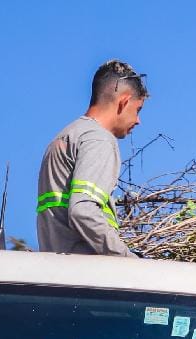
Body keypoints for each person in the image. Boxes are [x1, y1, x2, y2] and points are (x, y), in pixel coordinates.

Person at [36, 60, 148, 256]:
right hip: (87, 272)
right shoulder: (99, 139)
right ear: (124, 101)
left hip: (56, 272)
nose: (138, 120)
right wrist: (127, 259)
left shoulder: (64, 137)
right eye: (138, 110)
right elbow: (83, 211)